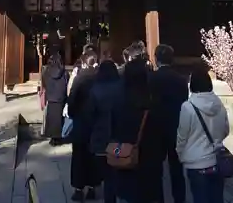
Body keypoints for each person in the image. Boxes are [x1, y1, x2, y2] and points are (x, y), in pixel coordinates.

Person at [111, 58, 162, 203]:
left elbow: (113, 129)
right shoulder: (153, 101)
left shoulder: (119, 101)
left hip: (126, 156)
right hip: (150, 160)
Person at [176, 66, 229, 203]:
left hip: (196, 163)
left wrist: (180, 154)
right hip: (216, 160)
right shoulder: (219, 104)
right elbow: (226, 130)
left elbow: (182, 137)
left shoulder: (187, 107)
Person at [150, 44, 188, 203]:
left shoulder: (151, 78)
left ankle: (158, 198)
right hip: (176, 125)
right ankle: (179, 198)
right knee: (176, 167)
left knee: (156, 168)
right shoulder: (180, 79)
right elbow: (184, 102)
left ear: (156, 58)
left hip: (155, 127)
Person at [87, 59, 121, 203]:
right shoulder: (122, 88)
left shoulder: (95, 90)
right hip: (119, 138)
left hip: (100, 138)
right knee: (118, 172)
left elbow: (89, 116)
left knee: (107, 175)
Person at [68, 50, 100, 201]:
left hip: (81, 122)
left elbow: (72, 101)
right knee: (93, 156)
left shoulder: (80, 78)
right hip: (96, 122)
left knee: (79, 156)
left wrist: (73, 114)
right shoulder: (100, 77)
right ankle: (93, 187)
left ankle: (79, 189)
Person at [41, 53, 69, 146]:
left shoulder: (46, 71)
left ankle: (52, 138)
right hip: (61, 97)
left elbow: (44, 83)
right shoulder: (64, 72)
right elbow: (66, 83)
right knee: (60, 118)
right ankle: (60, 137)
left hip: (51, 97)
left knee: (51, 118)